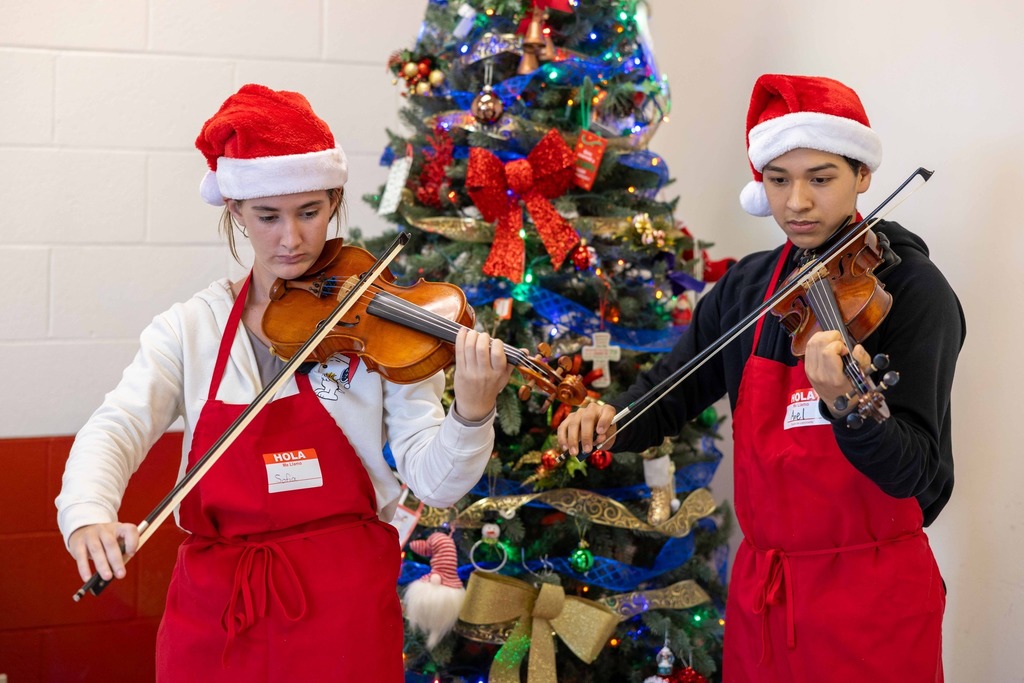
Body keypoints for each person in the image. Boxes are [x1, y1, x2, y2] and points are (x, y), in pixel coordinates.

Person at [56, 84, 513, 681]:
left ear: (334, 202)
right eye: (268, 217)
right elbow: (118, 423)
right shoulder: (193, 328)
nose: (291, 239)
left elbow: (434, 480)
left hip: (343, 612)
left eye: (309, 212)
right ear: (236, 213)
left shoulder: (375, 325)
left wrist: (472, 415)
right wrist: (88, 511)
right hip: (217, 614)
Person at [557, 74, 964, 681]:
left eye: (820, 179)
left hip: (870, 601)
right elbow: (669, 394)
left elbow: (920, 478)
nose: (796, 203)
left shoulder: (911, 291)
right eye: (778, 180)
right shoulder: (749, 287)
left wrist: (850, 406)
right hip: (764, 599)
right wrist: (611, 420)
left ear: (863, 178)